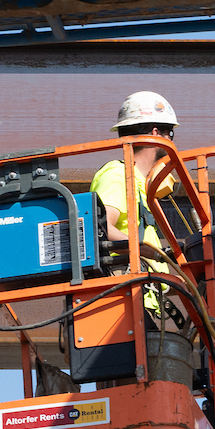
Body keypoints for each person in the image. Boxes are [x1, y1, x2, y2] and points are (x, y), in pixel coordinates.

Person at [91, 90, 182, 288]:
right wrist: (149, 250)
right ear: (156, 134)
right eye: (171, 134)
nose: (173, 142)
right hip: (127, 294)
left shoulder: (140, 184)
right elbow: (100, 229)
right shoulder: (118, 174)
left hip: (140, 294)